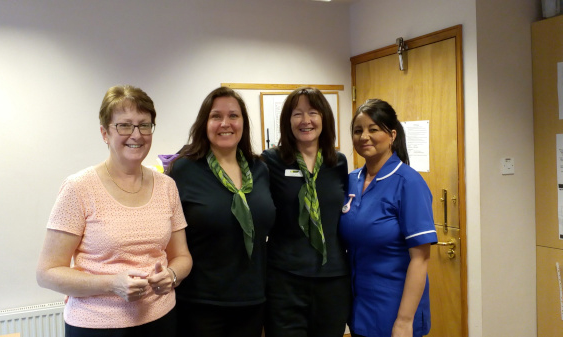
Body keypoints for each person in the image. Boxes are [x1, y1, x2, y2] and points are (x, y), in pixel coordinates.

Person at [36, 85, 192, 337]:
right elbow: (47, 273)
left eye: (144, 125)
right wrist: (111, 284)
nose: (136, 134)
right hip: (96, 326)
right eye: (124, 125)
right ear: (105, 133)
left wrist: (172, 275)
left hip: (161, 319)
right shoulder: (79, 188)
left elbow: (182, 257)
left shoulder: (167, 186)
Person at [167, 86, 275, 337]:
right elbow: (165, 232)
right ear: (204, 123)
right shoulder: (183, 169)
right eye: (216, 116)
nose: (225, 123)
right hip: (200, 302)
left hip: (252, 298)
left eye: (233, 116)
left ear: (243, 123)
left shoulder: (260, 169)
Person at [339, 99, 437, 337]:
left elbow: (420, 259)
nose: (364, 136)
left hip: (395, 312)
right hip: (360, 308)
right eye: (358, 130)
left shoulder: (408, 183)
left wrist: (404, 321)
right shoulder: (351, 180)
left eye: (373, 129)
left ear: (392, 134)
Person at [262, 87, 350, 337]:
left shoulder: (338, 162)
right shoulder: (271, 161)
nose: (306, 120)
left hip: (332, 279)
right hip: (285, 279)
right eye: (297, 114)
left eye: (313, 112)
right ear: (287, 121)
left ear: (324, 118)